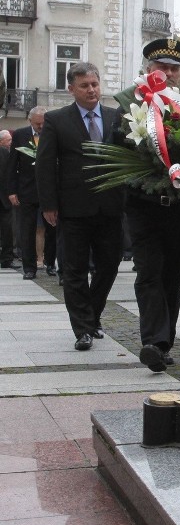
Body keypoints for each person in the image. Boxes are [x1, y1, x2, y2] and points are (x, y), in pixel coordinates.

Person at [112, 38, 180, 372]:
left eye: (174, 68)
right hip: (143, 205)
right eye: (163, 67)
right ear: (149, 70)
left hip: (179, 206)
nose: (170, 73)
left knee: (173, 274)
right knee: (149, 272)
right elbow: (117, 154)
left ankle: (165, 340)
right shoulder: (128, 106)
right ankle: (152, 341)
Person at [35, 62, 124, 351]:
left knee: (109, 264)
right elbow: (46, 165)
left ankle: (92, 315)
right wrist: (49, 203)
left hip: (110, 206)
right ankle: (83, 329)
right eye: (84, 85)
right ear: (71, 89)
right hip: (72, 208)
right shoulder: (57, 120)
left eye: (95, 84)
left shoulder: (116, 117)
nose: (91, 90)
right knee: (73, 270)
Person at [7, 107, 56, 280]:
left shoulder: (52, 133)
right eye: (37, 123)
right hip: (26, 190)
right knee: (27, 230)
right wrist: (11, 190)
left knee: (52, 230)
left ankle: (51, 263)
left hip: (50, 191)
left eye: (43, 122)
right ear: (30, 121)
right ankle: (29, 267)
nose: (41, 126)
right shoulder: (20, 135)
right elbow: (12, 164)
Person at [0, 130, 17, 269]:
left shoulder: (5, 153)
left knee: (7, 229)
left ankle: (6, 258)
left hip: (4, 198)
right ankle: (6, 258)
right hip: (5, 197)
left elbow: (9, 173)